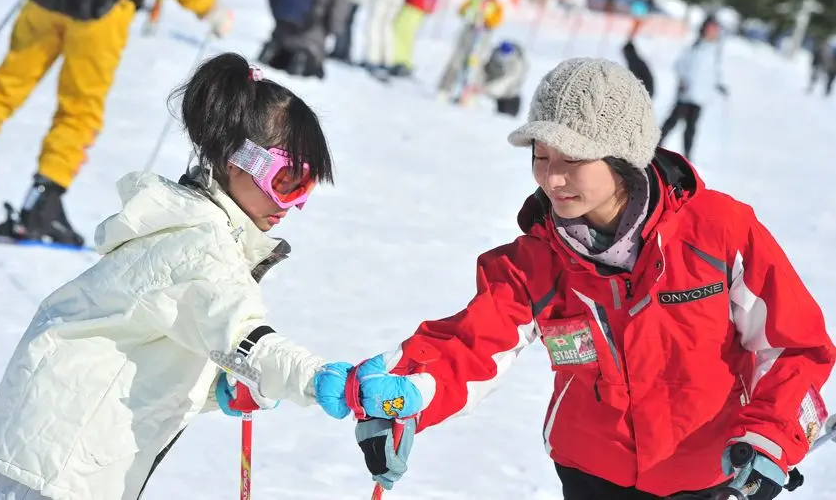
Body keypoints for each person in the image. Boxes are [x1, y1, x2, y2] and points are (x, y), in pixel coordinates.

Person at [323, 58, 836, 500]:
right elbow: (473, 345)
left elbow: (793, 347)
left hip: (708, 473)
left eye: (572, 160)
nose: (552, 178)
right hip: (591, 471)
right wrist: (406, 393)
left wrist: (771, 435)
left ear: (622, 159)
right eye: (540, 158)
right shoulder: (535, 260)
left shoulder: (720, 232)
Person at [0, 53, 353, 500]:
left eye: (308, 186)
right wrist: (321, 378)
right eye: (288, 180)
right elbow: (243, 333)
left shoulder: (194, 228)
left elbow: (142, 363)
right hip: (58, 468)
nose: (295, 203)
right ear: (241, 162)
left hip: (48, 454)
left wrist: (217, 391)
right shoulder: (199, 242)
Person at [0, 0, 233, 247]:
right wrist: (209, 7)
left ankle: (42, 202)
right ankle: (43, 201)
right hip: (105, 4)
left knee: (3, 87)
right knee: (80, 106)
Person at [658, 15, 728, 161]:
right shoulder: (695, 47)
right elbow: (680, 65)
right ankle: (655, 145)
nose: (713, 33)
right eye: (710, 29)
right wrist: (683, 81)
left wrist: (719, 84)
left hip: (700, 96)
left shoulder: (715, 51)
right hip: (686, 93)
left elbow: (714, 72)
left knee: (691, 128)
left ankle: (688, 156)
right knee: (672, 121)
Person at [437, 0, 506, 101]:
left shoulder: (497, 5)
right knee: (457, 59)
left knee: (474, 64)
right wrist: (469, 13)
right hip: (469, 31)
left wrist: (487, 20)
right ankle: (445, 88)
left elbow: (497, 20)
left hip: (483, 35)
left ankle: (468, 93)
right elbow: (462, 9)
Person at [479, 40, 529, 116]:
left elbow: (506, 81)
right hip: (499, 95)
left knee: (507, 118)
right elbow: (486, 70)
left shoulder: (516, 65)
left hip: (511, 97)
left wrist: (486, 89)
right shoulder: (493, 57)